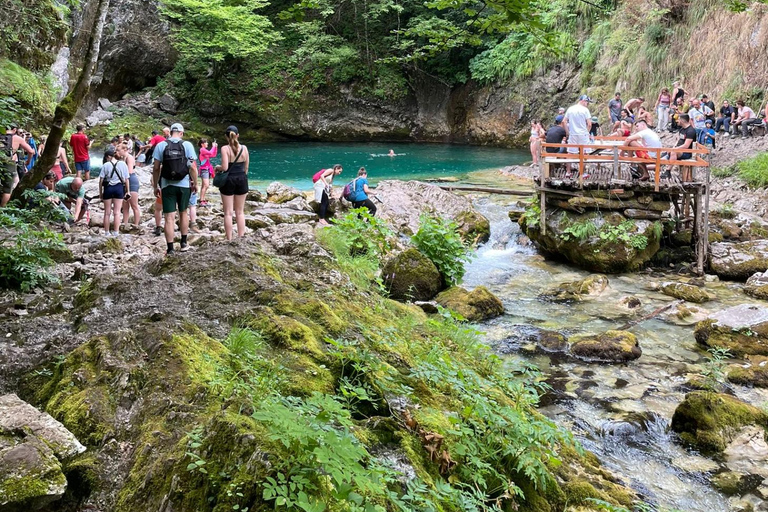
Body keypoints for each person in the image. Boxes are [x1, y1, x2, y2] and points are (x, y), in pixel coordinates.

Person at [152, 123, 198, 255]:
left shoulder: (161, 145)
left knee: (169, 217)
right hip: (184, 185)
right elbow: (192, 167)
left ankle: (170, 249)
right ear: (181, 133)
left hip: (167, 185)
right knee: (183, 212)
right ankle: (183, 243)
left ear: (170, 132)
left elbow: (156, 168)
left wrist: (155, 186)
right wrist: (195, 183)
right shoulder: (187, 145)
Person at [215, 125, 249, 240]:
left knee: (228, 213)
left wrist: (217, 167)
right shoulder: (244, 148)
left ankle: (229, 239)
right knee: (240, 212)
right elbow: (246, 168)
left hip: (228, 180)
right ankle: (241, 237)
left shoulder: (225, 149)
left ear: (226, 136)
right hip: (242, 179)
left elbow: (224, 167)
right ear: (237, 135)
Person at [1, 124, 34, 207]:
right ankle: (2, 209)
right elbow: (31, 151)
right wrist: (28, 161)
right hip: (9, 164)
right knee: (7, 189)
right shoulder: (17, 138)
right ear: (15, 130)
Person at [99, 147, 129, 236]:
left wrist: (100, 193)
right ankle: (116, 232)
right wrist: (128, 191)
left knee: (107, 213)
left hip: (108, 188)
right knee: (117, 212)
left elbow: (101, 180)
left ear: (109, 156)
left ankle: (107, 232)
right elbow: (126, 179)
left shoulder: (106, 165)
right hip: (119, 188)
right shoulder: (123, 164)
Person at [563, 95, 592, 177]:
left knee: (570, 153)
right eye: (587, 102)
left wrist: (568, 132)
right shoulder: (585, 110)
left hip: (573, 134)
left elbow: (564, 121)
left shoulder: (570, 109)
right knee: (584, 153)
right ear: (583, 101)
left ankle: (568, 172)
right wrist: (587, 132)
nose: (587, 104)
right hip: (583, 134)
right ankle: (582, 173)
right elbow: (589, 124)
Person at [119, 142, 141, 228]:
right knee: (125, 205)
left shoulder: (129, 158)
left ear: (124, 149)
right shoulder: (123, 158)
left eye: (119, 150)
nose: (118, 152)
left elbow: (130, 171)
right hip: (125, 182)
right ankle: (125, 224)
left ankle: (136, 225)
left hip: (131, 181)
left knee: (134, 205)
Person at [669, 114, 696, 182]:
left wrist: (675, 149)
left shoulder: (691, 131)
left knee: (673, 152)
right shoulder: (681, 129)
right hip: (679, 149)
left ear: (682, 121)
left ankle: (668, 170)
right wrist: (674, 147)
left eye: (678, 119)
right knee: (667, 152)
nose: (677, 121)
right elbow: (678, 140)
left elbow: (686, 146)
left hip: (686, 152)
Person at [197, 138, 218, 206]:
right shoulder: (202, 150)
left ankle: (202, 199)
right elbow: (210, 152)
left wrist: (215, 148)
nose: (207, 143)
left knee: (204, 185)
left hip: (207, 169)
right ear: (202, 144)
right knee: (206, 185)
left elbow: (213, 155)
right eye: (206, 142)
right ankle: (201, 200)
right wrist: (213, 146)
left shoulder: (204, 151)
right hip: (204, 170)